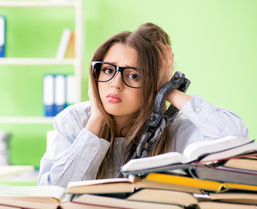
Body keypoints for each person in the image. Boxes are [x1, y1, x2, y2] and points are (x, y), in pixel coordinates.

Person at [38, 22, 248, 187]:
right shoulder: (74, 121)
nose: (116, 84)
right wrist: (96, 121)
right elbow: (52, 193)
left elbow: (236, 138)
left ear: (152, 84)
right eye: (108, 70)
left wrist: (168, 90)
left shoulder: (175, 128)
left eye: (133, 75)